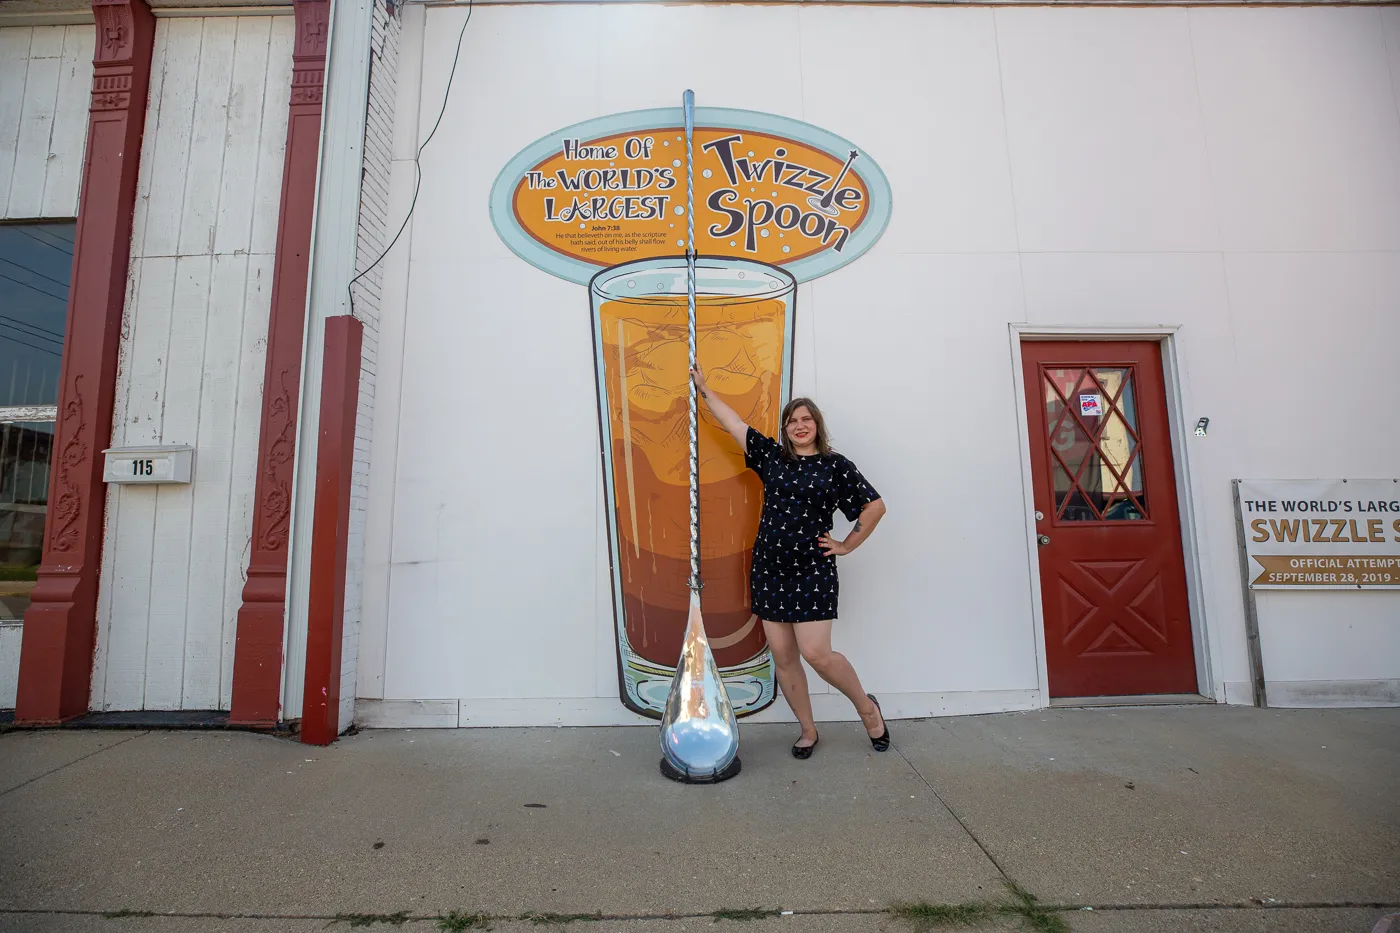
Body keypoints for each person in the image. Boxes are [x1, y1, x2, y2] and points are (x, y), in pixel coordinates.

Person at [691, 365, 889, 759]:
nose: (800, 426)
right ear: (785, 428)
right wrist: (704, 390)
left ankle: (867, 709)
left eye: (806, 419)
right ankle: (808, 730)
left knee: (817, 654)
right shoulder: (771, 458)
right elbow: (733, 423)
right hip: (769, 569)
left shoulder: (836, 465)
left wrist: (847, 545)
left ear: (817, 425)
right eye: (793, 420)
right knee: (783, 656)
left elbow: (875, 506)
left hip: (812, 571)